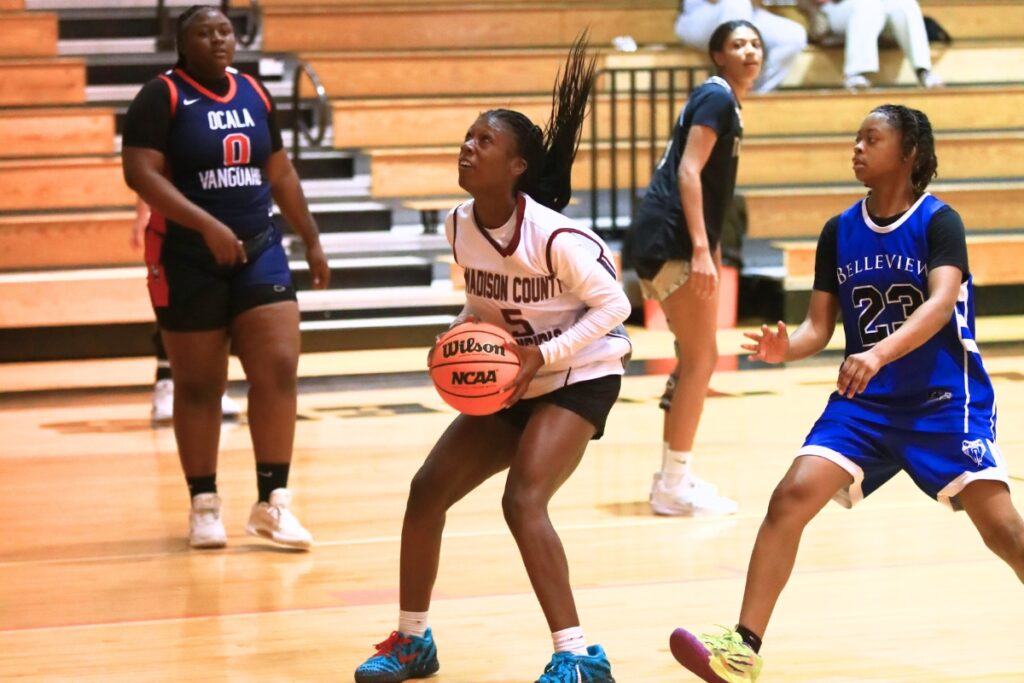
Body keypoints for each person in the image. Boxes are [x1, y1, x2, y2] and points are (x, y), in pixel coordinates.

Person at [669, 104, 1024, 682]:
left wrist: (880, 352)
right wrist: (789, 348)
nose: (856, 146)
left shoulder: (939, 222)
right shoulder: (839, 230)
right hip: (864, 405)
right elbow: (819, 326)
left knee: (1004, 532)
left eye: (872, 138)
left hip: (943, 404)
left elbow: (939, 305)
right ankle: (743, 648)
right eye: (856, 138)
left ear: (908, 153)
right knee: (789, 498)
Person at [353, 35, 631, 683]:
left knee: (523, 497)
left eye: (484, 141)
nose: (468, 147)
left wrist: (546, 354)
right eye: (467, 137)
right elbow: (483, 306)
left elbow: (615, 308)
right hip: (518, 374)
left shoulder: (556, 237)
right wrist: (455, 337)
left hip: (581, 373)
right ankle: (413, 639)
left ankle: (579, 655)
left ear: (516, 167)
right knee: (427, 489)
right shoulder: (458, 225)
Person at [121, 5, 330, 549]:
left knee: (280, 367)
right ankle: (203, 502)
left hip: (259, 247)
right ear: (181, 42)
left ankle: (273, 502)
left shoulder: (255, 94)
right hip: (185, 255)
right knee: (199, 386)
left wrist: (310, 238)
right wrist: (204, 223)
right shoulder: (160, 96)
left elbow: (279, 171)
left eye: (225, 31)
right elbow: (139, 172)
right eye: (203, 32)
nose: (218, 40)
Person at [625, 20, 763, 517]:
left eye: (755, 43)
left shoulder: (725, 102)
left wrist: (715, 246)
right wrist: (701, 249)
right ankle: (672, 483)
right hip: (670, 239)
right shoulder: (717, 98)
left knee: (694, 359)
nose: (749, 51)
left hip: (665, 238)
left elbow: (712, 186)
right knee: (702, 359)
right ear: (718, 56)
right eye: (737, 44)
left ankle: (673, 476)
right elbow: (688, 171)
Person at [131, 196, 242, 425]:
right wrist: (142, 214)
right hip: (173, 228)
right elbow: (151, 169)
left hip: (216, 219)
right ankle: (165, 386)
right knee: (174, 308)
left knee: (217, 308)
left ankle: (214, 388)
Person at [797, 0, 943, 90]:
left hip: (879, 10)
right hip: (835, 10)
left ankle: (923, 71)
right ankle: (855, 74)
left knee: (906, 3)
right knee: (867, 4)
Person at [674, 0, 805, 92]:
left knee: (793, 35)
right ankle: (730, 88)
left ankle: (758, 92)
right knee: (736, 3)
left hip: (747, 13)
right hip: (698, 17)